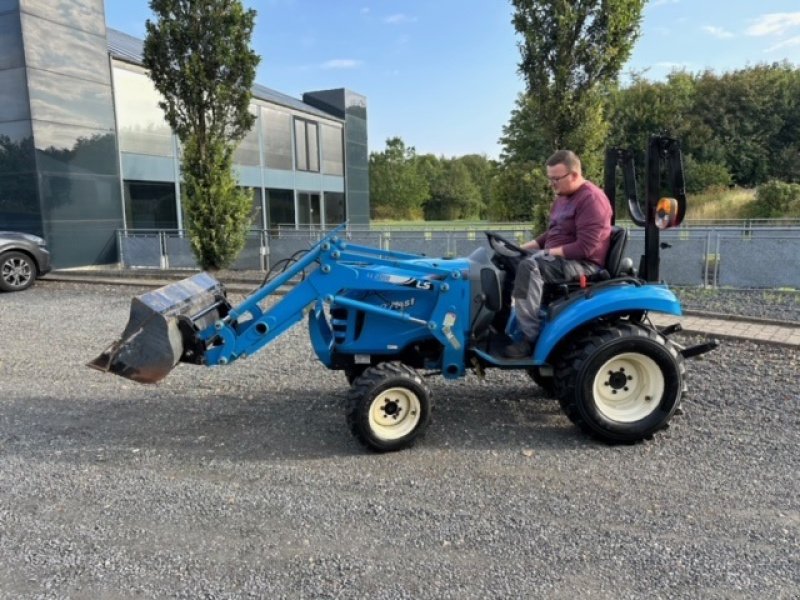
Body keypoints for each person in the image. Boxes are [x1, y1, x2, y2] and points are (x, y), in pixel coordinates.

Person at [503, 149, 613, 359]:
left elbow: (585, 247)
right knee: (507, 260)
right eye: (550, 179)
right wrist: (520, 249)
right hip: (559, 259)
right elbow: (552, 234)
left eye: (556, 179)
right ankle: (497, 326)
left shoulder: (592, 200)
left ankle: (529, 339)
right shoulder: (563, 198)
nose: (552, 184)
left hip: (583, 264)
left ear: (573, 175)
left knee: (530, 266)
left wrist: (542, 254)